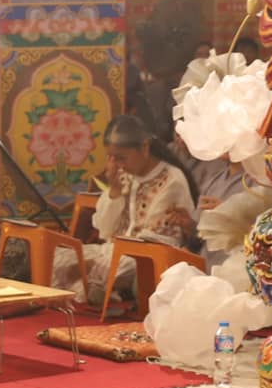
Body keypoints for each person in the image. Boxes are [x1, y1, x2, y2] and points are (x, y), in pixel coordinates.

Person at [56, 115, 196, 307]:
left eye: (121, 158)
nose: (116, 164)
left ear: (144, 148)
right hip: (112, 251)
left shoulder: (172, 179)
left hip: (145, 258)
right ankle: (98, 289)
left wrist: (95, 262)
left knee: (116, 267)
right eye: (111, 157)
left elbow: (155, 241)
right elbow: (104, 230)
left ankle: (99, 289)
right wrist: (114, 190)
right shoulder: (124, 175)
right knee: (57, 258)